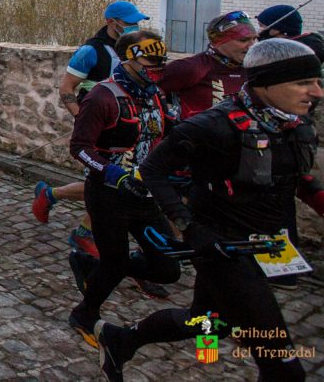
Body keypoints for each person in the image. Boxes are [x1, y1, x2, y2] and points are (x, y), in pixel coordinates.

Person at [97, 39, 324, 382]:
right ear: (266, 83)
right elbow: (154, 169)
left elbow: (297, 180)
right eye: (303, 82)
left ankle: (121, 338)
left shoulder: (295, 124)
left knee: (208, 321)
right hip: (222, 249)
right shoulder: (213, 126)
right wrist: (188, 226)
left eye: (318, 81)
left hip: (263, 244)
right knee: (284, 369)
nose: (317, 92)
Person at [66, 30, 181, 348]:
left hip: (146, 194)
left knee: (168, 267)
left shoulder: (155, 93)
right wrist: (112, 172)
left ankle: (93, 265)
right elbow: (79, 148)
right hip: (109, 196)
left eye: (162, 59)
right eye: (150, 60)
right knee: (114, 262)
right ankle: (85, 314)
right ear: (129, 60)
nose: (157, 66)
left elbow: (166, 132)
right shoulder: (103, 96)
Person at [35, 1, 148, 255]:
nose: (135, 26)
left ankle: (53, 198)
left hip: (126, 127)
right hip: (99, 131)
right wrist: (81, 118)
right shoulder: (91, 51)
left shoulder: (134, 50)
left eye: (137, 21)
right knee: (107, 183)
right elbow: (67, 88)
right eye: (129, 22)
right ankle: (81, 231)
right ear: (112, 22)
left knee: (108, 183)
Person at [158, 10, 255, 120]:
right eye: (243, 40)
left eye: (254, 39)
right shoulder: (192, 67)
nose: (252, 46)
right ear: (219, 41)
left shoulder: (253, 70)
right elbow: (147, 91)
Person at [257, 4, 324, 62]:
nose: (259, 29)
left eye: (261, 25)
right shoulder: (307, 48)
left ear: (276, 30)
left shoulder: (281, 54)